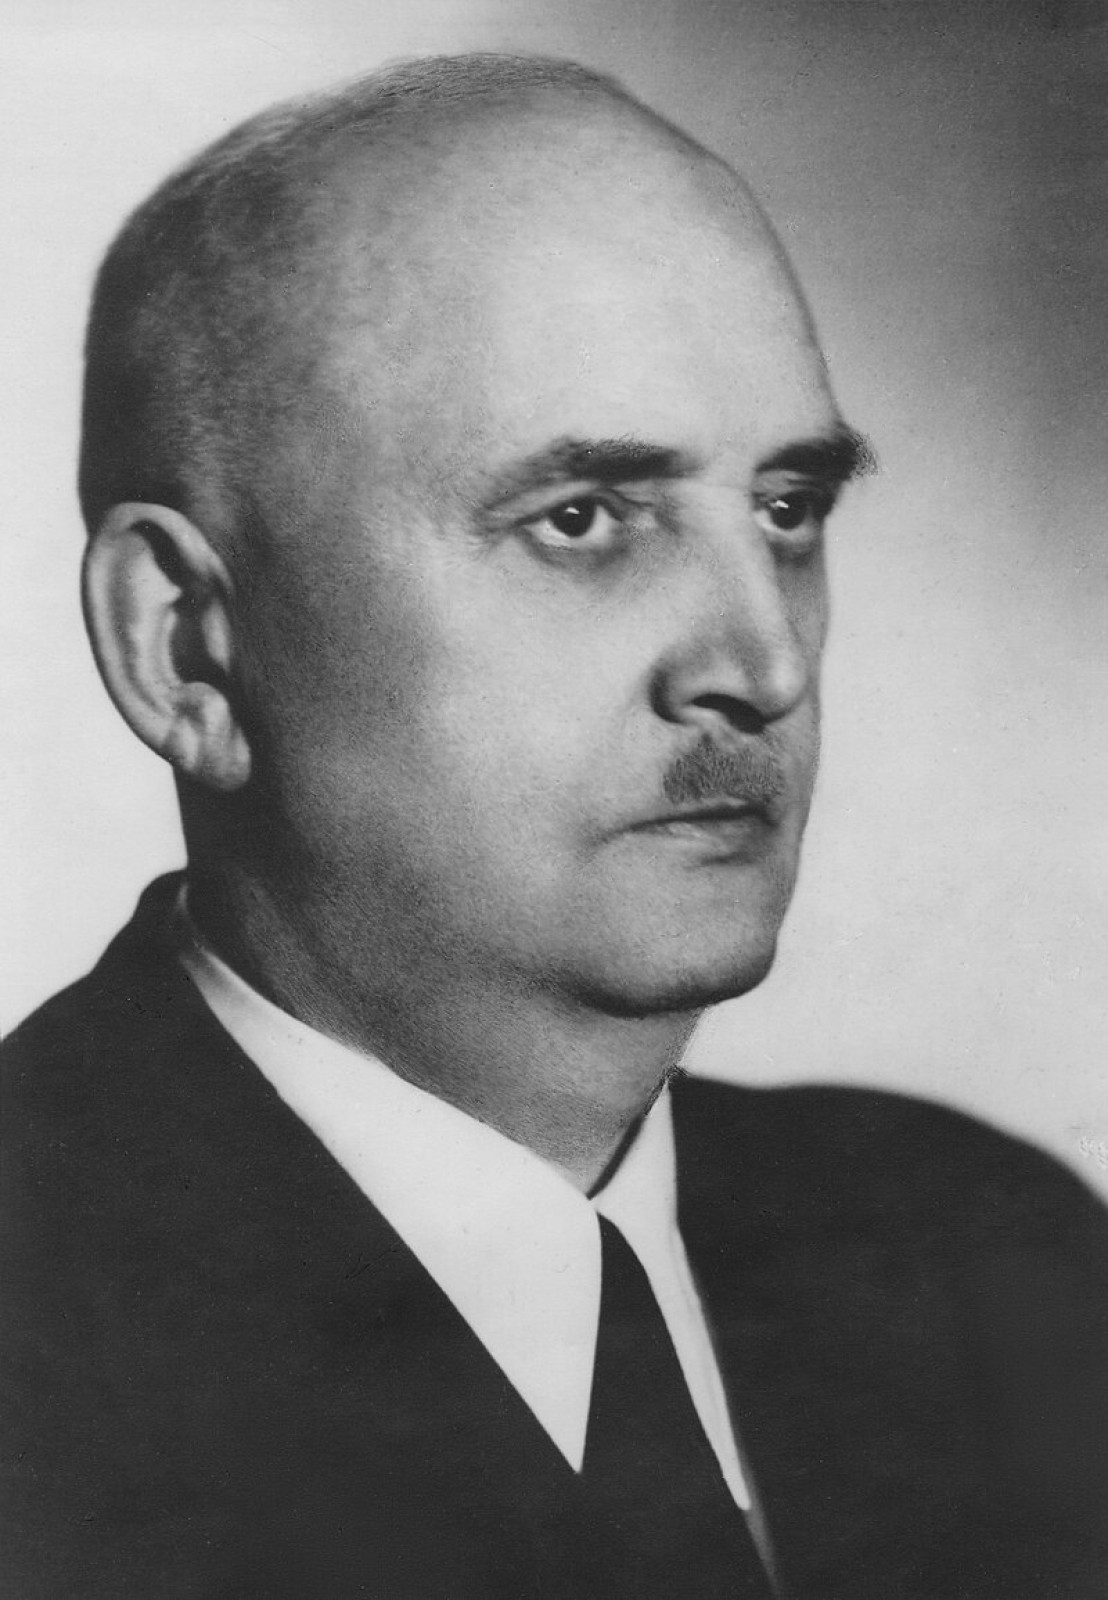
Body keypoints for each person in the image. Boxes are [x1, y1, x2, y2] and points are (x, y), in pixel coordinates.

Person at [3, 53, 1107, 1600]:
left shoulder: (1002, 1263)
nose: (764, 667)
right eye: (582, 521)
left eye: (787, 511)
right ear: (186, 645)